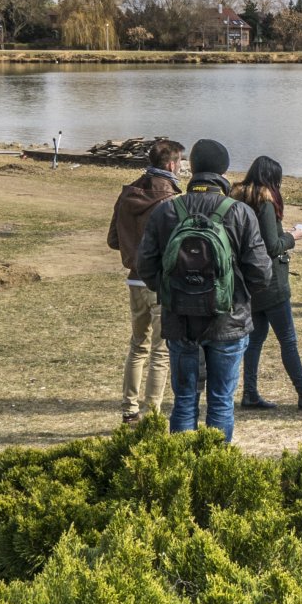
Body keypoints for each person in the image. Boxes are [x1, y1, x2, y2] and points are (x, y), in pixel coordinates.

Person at [134, 138, 271, 441]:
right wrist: (235, 296)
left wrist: (172, 293)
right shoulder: (239, 212)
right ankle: (215, 465)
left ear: (192, 168)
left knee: (184, 400)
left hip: (179, 320)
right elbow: (261, 272)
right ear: (223, 172)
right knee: (221, 401)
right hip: (228, 321)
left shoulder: (167, 210)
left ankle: (182, 464)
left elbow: (145, 264)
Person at [234, 156, 302, 411]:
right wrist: (292, 236)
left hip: (249, 280)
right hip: (271, 282)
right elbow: (271, 246)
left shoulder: (240, 200)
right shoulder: (265, 203)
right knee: (288, 340)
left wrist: (281, 233)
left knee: (255, 340)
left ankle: (250, 393)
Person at [106, 138, 183, 423]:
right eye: (181, 162)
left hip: (135, 280)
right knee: (161, 351)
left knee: (138, 345)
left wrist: (133, 250)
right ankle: (153, 414)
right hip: (160, 282)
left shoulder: (128, 193)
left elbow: (113, 240)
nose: (182, 168)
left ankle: (129, 409)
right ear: (172, 165)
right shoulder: (171, 200)